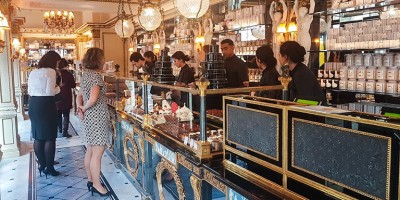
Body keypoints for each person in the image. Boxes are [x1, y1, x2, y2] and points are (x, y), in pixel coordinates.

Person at [76, 47, 111, 196]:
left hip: (89, 117)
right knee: (97, 153)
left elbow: (79, 95)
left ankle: (91, 180)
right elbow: (93, 98)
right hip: (97, 117)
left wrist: (81, 108)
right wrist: (84, 107)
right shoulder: (96, 77)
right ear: (99, 60)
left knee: (90, 150)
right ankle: (97, 185)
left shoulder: (85, 75)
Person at [28, 51, 61, 177]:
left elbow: (30, 91)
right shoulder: (50, 72)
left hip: (34, 104)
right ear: (53, 61)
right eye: (57, 62)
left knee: (38, 137)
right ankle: (50, 167)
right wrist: (59, 88)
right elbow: (49, 92)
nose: (57, 65)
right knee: (50, 138)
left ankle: (42, 165)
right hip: (46, 105)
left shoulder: (34, 72)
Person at [56, 58, 76, 138]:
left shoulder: (56, 74)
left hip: (57, 96)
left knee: (58, 113)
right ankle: (65, 131)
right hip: (66, 96)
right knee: (66, 114)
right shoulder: (69, 74)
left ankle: (59, 129)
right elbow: (73, 85)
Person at [294, 0, 315, 65]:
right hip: (299, 36)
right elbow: (295, 8)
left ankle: (305, 66)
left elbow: (312, 6)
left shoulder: (308, 17)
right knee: (298, 53)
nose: (300, 12)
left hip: (305, 36)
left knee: (305, 52)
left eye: (302, 11)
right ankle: (299, 67)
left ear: (305, 11)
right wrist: (296, 1)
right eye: (300, 11)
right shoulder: (298, 19)